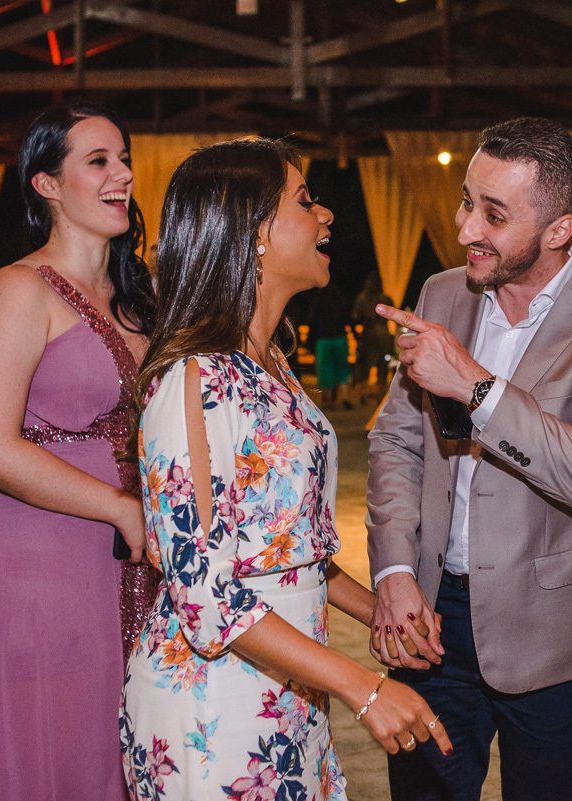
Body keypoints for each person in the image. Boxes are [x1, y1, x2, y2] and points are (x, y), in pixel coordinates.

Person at [121, 138, 451, 800]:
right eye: (305, 201)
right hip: (212, 705)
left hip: (291, 683)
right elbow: (204, 594)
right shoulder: (193, 378)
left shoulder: (270, 361)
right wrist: (363, 685)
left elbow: (283, 546)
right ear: (252, 233)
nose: (326, 215)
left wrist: (378, 609)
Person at [367, 117, 572, 801]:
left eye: (494, 214)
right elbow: (397, 440)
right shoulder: (443, 294)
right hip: (431, 623)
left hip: (554, 634)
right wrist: (393, 569)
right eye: (466, 201)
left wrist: (475, 387)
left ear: (558, 230)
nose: (466, 227)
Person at [0, 103, 157, 801]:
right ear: (46, 185)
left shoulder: (137, 295)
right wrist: (122, 508)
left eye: (123, 159)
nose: (123, 173)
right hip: (36, 560)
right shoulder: (16, 289)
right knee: (57, 743)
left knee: (120, 741)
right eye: (99, 161)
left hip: (129, 557)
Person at [351, 270, 395, 404]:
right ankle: (380, 394)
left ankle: (363, 393)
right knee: (383, 364)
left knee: (365, 364)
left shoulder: (362, 298)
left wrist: (357, 336)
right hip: (383, 335)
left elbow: (354, 318)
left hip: (368, 334)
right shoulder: (385, 298)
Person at [308, 283, 353, 408]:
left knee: (324, 370)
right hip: (340, 339)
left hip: (323, 340)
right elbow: (348, 320)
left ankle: (327, 400)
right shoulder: (340, 301)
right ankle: (344, 398)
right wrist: (355, 335)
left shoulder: (318, 302)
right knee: (342, 369)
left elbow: (313, 323)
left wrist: (309, 343)